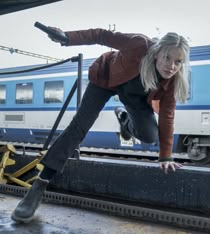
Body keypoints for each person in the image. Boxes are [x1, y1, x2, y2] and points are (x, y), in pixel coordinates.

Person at [11, 27, 190, 223]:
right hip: (106, 79)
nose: (172, 66)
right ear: (157, 53)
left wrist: (165, 156)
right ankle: (38, 187)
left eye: (178, 62)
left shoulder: (171, 82)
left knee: (149, 135)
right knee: (79, 127)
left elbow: (167, 117)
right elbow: (102, 35)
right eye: (167, 58)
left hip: (135, 95)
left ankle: (123, 118)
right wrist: (68, 37)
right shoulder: (138, 44)